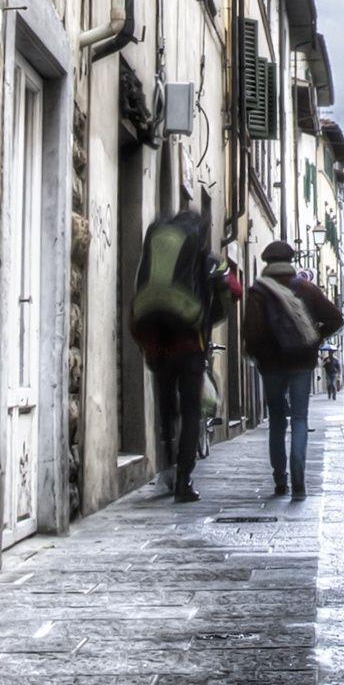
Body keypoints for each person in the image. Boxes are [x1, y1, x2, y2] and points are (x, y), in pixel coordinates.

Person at [128, 202, 225, 502]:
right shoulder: (204, 259)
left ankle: (167, 468)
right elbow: (226, 294)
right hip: (189, 343)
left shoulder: (157, 244)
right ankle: (184, 480)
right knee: (192, 409)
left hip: (157, 343)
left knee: (166, 408)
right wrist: (207, 319)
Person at [240, 239, 344, 501]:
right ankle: (299, 481)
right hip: (301, 361)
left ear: (266, 262)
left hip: (271, 365)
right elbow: (336, 318)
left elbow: (249, 332)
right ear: (290, 260)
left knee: (276, 421)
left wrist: (258, 354)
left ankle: (280, 481)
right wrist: (315, 337)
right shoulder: (306, 288)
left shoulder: (257, 291)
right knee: (299, 419)